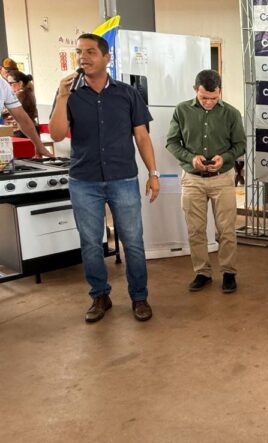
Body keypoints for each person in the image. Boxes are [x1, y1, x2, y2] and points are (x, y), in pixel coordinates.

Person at [49, 33, 160, 323]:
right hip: (84, 181)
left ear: (106, 58)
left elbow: (142, 137)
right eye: (79, 52)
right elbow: (57, 134)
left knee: (132, 241)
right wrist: (62, 96)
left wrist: (153, 173)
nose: (83, 57)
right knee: (90, 243)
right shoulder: (69, 94)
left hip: (123, 178)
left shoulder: (127, 94)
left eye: (90, 52)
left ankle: (139, 297)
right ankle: (100, 296)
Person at [166, 69, 246, 294]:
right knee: (196, 229)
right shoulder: (181, 110)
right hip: (192, 180)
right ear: (195, 90)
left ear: (220, 91)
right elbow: (172, 142)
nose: (209, 102)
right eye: (204, 98)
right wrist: (191, 158)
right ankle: (202, 272)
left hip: (223, 179)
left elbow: (240, 145)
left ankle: (228, 272)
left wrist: (225, 158)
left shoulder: (231, 113)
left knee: (226, 230)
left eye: (214, 97)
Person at [0, 68, 51, 157]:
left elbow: (22, 118)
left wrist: (39, 146)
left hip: (21, 132)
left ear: (20, 83)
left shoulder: (4, 86)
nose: (9, 85)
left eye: (11, 83)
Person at [6, 70, 39, 136]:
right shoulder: (26, 92)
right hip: (29, 129)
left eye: (10, 83)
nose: (8, 86)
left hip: (23, 132)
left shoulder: (22, 95)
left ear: (20, 83)